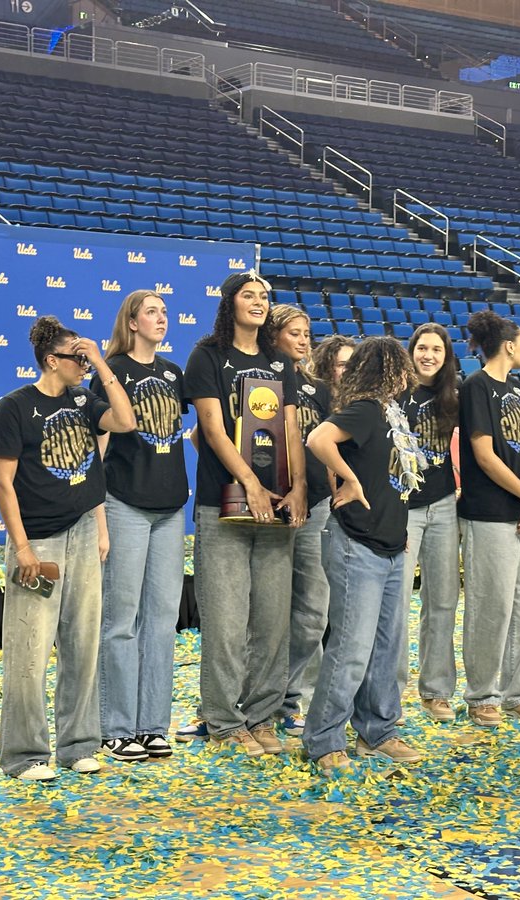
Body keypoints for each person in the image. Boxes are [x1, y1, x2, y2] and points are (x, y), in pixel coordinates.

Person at [0, 316, 136, 781]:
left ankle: (78, 745)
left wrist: (99, 363)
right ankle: (25, 754)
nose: (83, 364)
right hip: (38, 537)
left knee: (82, 645)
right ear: (52, 360)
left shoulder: (82, 397)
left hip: (80, 530)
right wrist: (22, 549)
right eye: (77, 358)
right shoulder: (14, 407)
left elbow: (126, 420)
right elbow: (3, 483)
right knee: (29, 652)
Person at [184, 271, 307, 757]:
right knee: (227, 620)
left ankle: (261, 716)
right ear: (229, 302)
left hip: (278, 509)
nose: (258, 303)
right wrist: (251, 484)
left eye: (264, 297)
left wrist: (297, 486)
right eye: (249, 295)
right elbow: (213, 430)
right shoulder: (208, 355)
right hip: (224, 505)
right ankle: (223, 719)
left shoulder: (280, 362)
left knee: (273, 621)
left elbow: (292, 430)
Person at [302, 336, 426, 773]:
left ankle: (377, 730)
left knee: (385, 648)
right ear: (387, 369)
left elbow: (397, 475)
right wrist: (349, 480)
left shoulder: (393, 413)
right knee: (351, 647)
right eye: (400, 367)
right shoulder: (368, 408)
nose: (407, 375)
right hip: (357, 543)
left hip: (390, 542)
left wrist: (398, 522)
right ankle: (323, 738)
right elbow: (319, 439)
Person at [94, 292, 188, 765]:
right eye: (152, 312)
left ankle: (153, 725)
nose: (161, 318)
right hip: (125, 504)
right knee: (121, 620)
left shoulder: (173, 373)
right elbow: (99, 446)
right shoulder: (112, 371)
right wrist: (98, 517)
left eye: (165, 313)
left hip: (171, 508)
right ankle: (116, 727)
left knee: (161, 621)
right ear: (131, 322)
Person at [459, 310, 520, 726]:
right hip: (489, 513)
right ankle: (482, 694)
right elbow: (484, 455)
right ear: (509, 346)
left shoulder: (517, 387)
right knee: (491, 605)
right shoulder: (476, 386)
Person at [269, 306, 341, 736]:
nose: (303, 340)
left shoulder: (318, 389)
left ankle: (284, 697)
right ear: (273, 336)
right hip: (266, 509)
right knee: (266, 613)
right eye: (293, 332)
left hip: (315, 507)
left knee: (313, 613)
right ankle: (258, 698)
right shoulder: (258, 379)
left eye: (306, 332)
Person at [399, 324, 461, 724]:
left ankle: (436, 691)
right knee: (397, 601)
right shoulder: (395, 393)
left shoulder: (455, 396)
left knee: (442, 601)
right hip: (402, 507)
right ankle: (387, 691)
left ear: (445, 354)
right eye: (422, 347)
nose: (429, 355)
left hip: (443, 505)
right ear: (412, 351)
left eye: (436, 349)